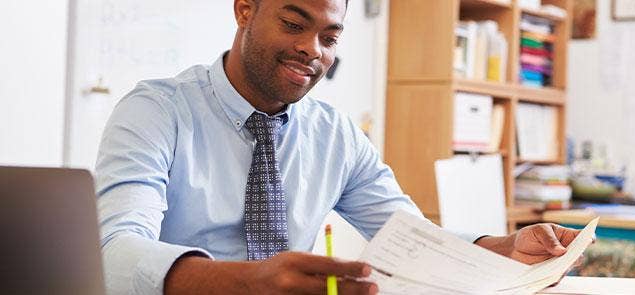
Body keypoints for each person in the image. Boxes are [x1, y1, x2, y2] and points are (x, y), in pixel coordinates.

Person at [95, 0, 581, 294]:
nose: (312, 49)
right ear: (245, 8)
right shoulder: (157, 111)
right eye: (293, 24)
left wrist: (503, 248)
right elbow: (113, 253)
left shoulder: (336, 134)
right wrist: (249, 284)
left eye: (329, 37)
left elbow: (410, 238)